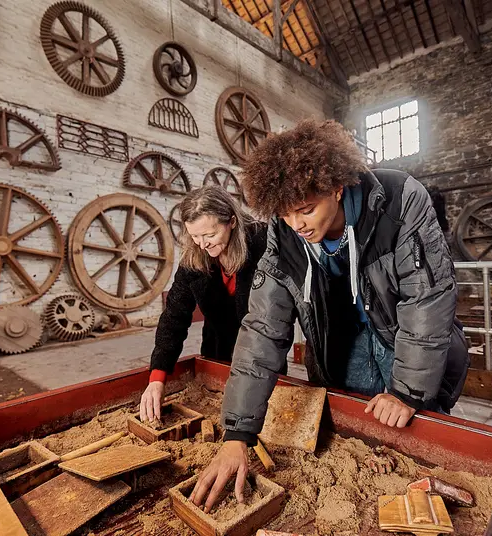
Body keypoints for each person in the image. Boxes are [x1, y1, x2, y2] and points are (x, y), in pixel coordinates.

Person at [190, 119, 469, 510]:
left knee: (420, 439)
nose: (296, 225)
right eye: (285, 215)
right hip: (341, 344)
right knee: (357, 442)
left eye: (305, 210)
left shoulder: (399, 199)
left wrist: (408, 390)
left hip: (402, 338)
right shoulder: (284, 231)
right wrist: (237, 433)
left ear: (336, 187)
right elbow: (262, 329)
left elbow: (428, 298)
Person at [139, 185, 267, 423]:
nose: (202, 244)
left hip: (261, 348)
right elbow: (174, 316)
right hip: (217, 347)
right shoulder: (194, 257)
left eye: (209, 235)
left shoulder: (263, 244)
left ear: (232, 222)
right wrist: (157, 377)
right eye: (195, 236)